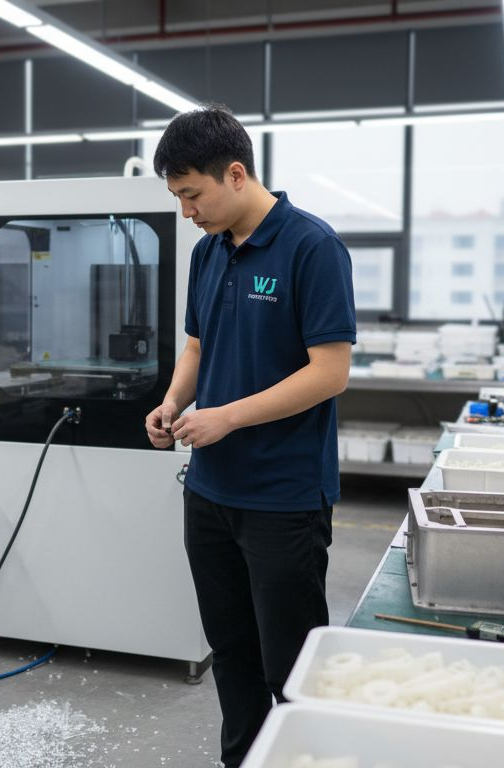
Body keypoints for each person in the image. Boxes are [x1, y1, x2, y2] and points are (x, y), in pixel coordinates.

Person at [143, 105, 356, 767]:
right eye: (177, 198)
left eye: (192, 195)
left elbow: (330, 373)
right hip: (209, 494)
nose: (187, 213)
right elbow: (198, 345)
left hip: (283, 498)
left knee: (290, 666)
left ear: (236, 174)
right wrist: (175, 400)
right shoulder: (208, 253)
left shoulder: (311, 247)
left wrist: (227, 415)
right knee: (231, 657)